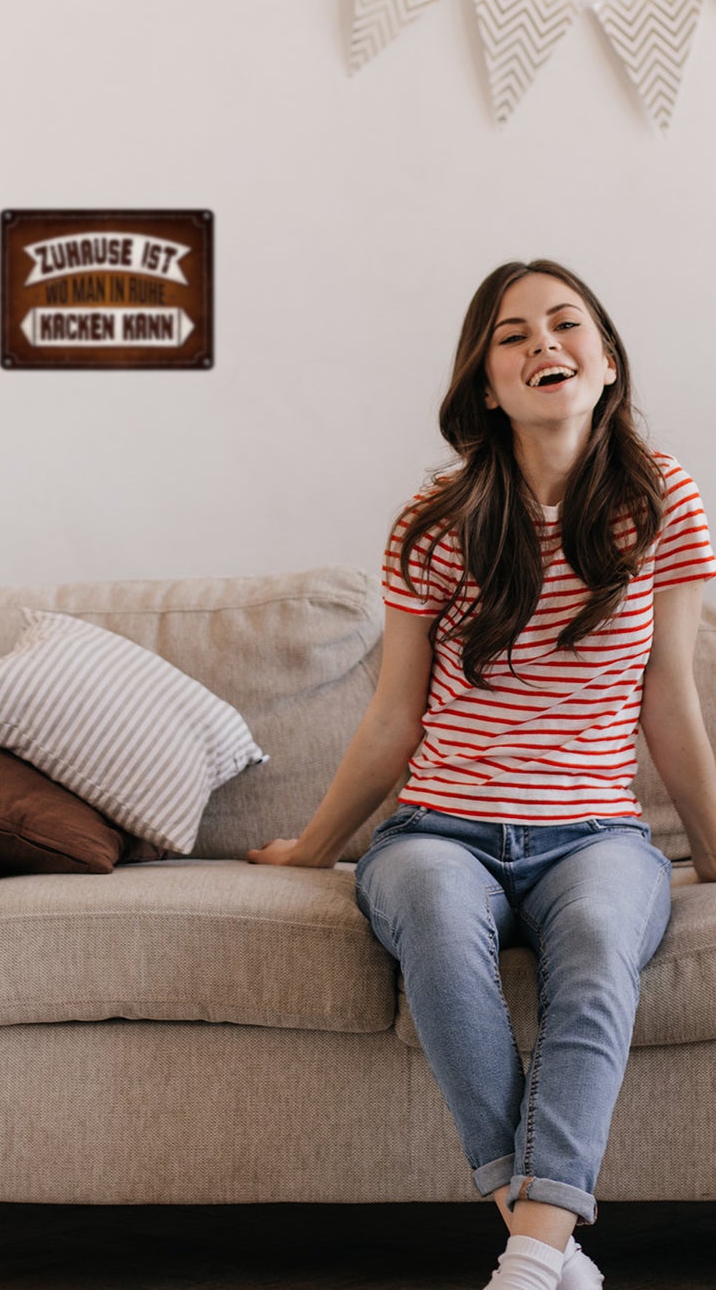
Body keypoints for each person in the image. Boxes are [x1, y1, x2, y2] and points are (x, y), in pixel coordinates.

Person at [247, 259, 716, 1290]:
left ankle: (528, 1253)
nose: (541, 342)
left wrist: (715, 853)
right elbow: (393, 715)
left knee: (597, 941)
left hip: (594, 835)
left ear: (603, 364)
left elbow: (667, 697)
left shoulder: (662, 499)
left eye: (564, 323)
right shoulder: (435, 516)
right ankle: (544, 1242)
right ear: (484, 383)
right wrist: (314, 848)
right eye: (511, 334)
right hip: (436, 829)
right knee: (428, 914)